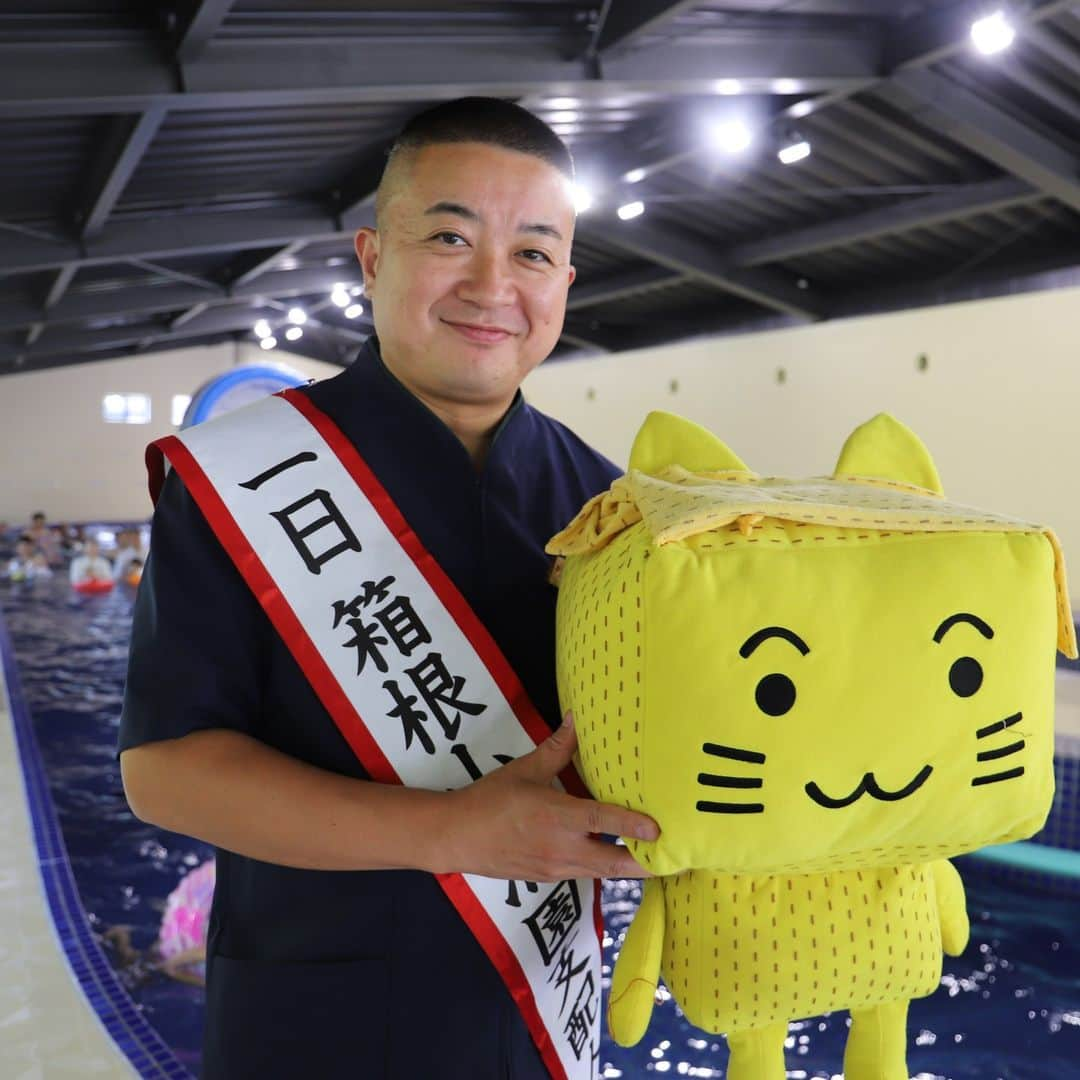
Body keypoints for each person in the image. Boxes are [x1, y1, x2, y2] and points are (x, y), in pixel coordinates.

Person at [118, 98, 660, 1080]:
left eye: (534, 254)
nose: (493, 284)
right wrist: (454, 831)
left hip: (538, 1023)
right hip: (310, 1026)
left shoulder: (610, 507)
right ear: (373, 256)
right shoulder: (245, 478)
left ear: (567, 281)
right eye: (451, 236)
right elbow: (163, 771)